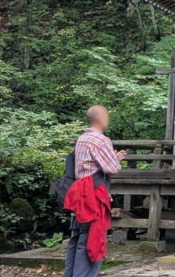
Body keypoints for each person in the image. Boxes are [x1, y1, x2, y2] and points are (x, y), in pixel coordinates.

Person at [64, 106, 125, 277]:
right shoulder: (100, 140)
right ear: (101, 118)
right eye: (106, 116)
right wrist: (116, 160)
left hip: (79, 192)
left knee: (77, 238)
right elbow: (112, 168)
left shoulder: (82, 139)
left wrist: (114, 158)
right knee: (91, 239)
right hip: (93, 194)